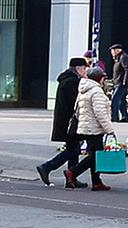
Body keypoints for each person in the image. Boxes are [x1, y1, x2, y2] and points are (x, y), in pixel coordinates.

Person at [36, 56, 90, 187]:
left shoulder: (66, 79)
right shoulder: (72, 81)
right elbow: (75, 102)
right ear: (78, 68)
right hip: (70, 122)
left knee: (74, 147)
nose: (85, 72)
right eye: (84, 69)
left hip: (66, 121)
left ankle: (71, 178)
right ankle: (47, 167)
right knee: (74, 149)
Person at [71, 66, 115, 191]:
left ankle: (96, 182)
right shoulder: (96, 91)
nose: (103, 80)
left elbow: (78, 108)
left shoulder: (83, 89)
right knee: (95, 156)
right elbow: (100, 113)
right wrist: (109, 129)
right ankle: (72, 172)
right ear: (99, 78)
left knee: (94, 155)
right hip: (94, 128)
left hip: (85, 126)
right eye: (103, 78)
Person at [109, 44, 128, 123]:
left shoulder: (123, 57)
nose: (112, 52)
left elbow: (127, 69)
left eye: (113, 50)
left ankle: (114, 117)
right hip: (118, 82)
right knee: (122, 101)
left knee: (115, 100)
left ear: (118, 50)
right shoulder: (118, 58)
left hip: (122, 83)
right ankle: (125, 116)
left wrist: (125, 82)